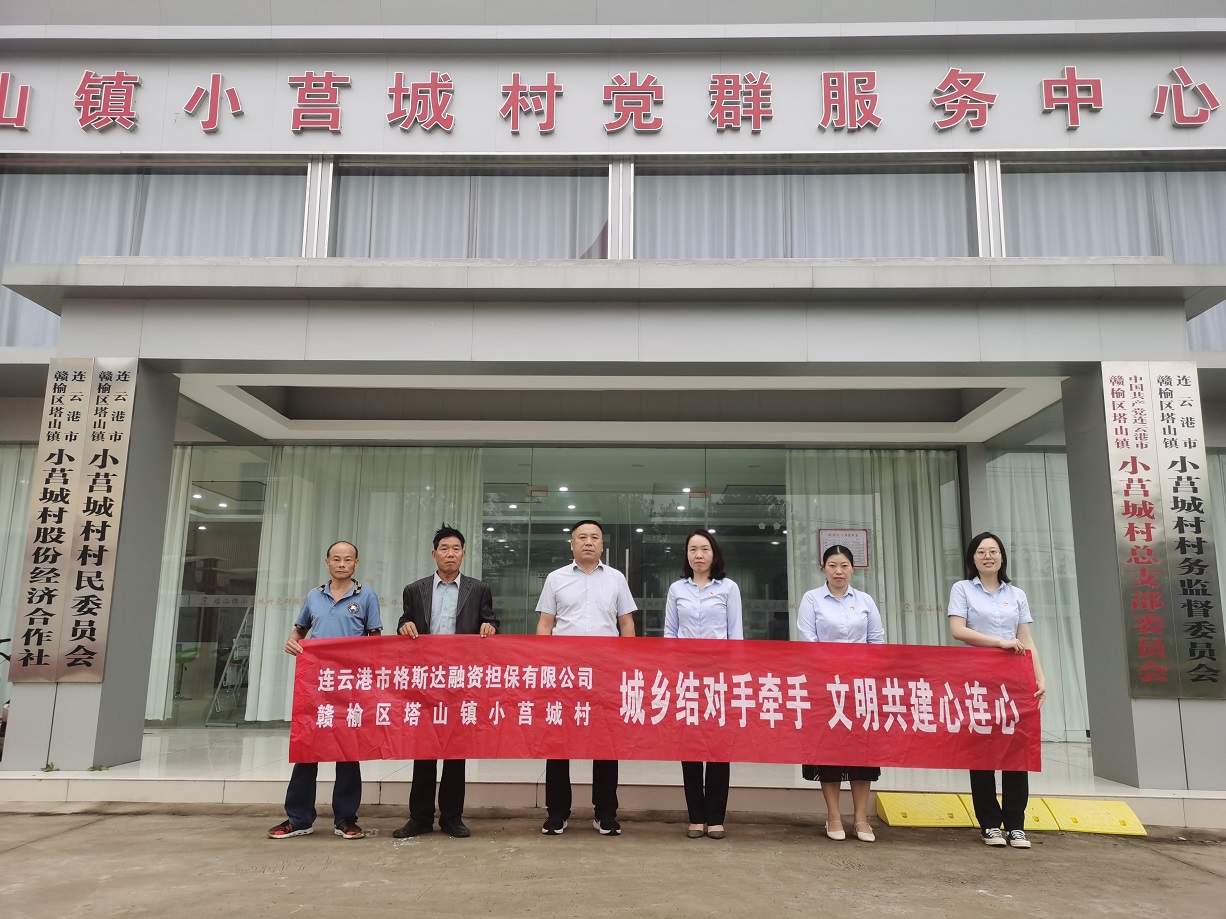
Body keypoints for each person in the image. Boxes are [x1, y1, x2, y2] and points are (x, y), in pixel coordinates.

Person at [268, 540, 382, 840]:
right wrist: (292, 642)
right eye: (336, 559)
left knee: (348, 753)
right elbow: (300, 630)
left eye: (348, 559)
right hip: (317, 685)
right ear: (327, 562)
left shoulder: (366, 596)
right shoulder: (314, 596)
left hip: (350, 687)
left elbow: (375, 638)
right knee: (307, 750)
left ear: (356, 563)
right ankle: (299, 818)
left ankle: (345, 819)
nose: (342, 564)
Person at [393, 524, 498, 839]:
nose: (450, 554)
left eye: (455, 549)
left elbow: (490, 620)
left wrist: (491, 627)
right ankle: (420, 818)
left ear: (463, 554)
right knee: (423, 751)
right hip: (426, 680)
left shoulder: (478, 589)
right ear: (434, 554)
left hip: (461, 681)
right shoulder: (415, 589)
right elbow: (405, 620)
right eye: (444, 549)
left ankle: (452, 817)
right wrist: (404, 625)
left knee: (455, 752)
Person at [536, 519, 637, 836]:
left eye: (594, 537)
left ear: (602, 545)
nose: (588, 542)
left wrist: (626, 666)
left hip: (606, 673)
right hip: (565, 673)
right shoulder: (556, 579)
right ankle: (557, 813)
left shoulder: (616, 579)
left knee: (605, 744)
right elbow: (545, 624)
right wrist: (544, 666)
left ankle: (605, 813)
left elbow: (626, 624)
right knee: (558, 743)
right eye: (582, 537)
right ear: (572, 544)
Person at [948, 531, 1047, 850]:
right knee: (982, 750)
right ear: (972, 558)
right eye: (981, 552)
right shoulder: (962, 589)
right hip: (978, 679)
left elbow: (1026, 639)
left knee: (1016, 750)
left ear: (1002, 557)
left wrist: (1039, 676)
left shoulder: (1016, 594)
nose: (987, 556)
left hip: (1014, 679)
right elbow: (958, 630)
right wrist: (1000, 643)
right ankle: (990, 823)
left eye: (993, 551)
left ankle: (1016, 825)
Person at [796, 544, 884, 843]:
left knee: (862, 753)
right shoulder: (812, 599)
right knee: (829, 752)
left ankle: (861, 818)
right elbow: (808, 641)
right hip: (825, 687)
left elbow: (876, 641)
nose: (838, 571)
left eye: (844, 565)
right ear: (823, 568)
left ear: (853, 569)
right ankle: (833, 815)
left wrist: (862, 669)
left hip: (860, 686)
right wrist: (834, 667)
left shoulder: (865, 600)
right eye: (832, 565)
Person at [664, 529, 743, 840]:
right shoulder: (676, 589)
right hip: (687, 678)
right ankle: (696, 817)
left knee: (719, 747)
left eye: (704, 549)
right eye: (693, 549)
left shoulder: (728, 588)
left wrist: (734, 674)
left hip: (719, 678)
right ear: (687, 555)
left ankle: (716, 817)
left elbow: (735, 635)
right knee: (691, 746)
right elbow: (670, 634)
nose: (698, 555)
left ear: (714, 554)